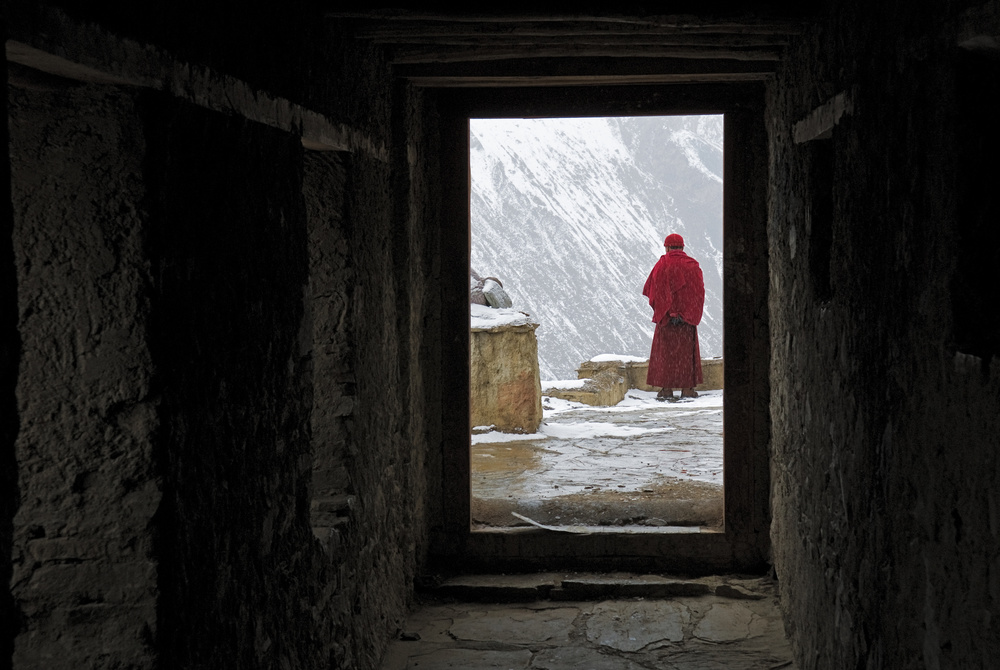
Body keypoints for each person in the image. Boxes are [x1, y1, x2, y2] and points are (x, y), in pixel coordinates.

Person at [642, 233, 705, 401]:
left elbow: (652, 290)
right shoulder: (693, 266)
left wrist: (667, 310)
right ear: (682, 247)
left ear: (668, 247)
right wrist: (686, 312)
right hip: (687, 320)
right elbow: (699, 293)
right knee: (685, 354)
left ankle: (666, 389)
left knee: (666, 354)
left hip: (666, 319)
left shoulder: (661, 265)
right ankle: (687, 389)